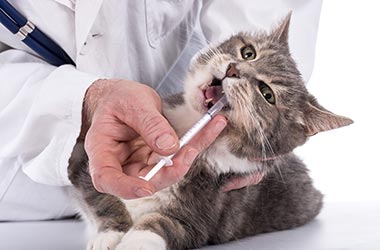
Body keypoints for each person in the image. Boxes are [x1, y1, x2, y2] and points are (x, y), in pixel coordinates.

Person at [0, 0, 322, 221]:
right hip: (20, 179)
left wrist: (265, 131)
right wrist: (83, 102)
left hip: (181, 126)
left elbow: (265, 19)